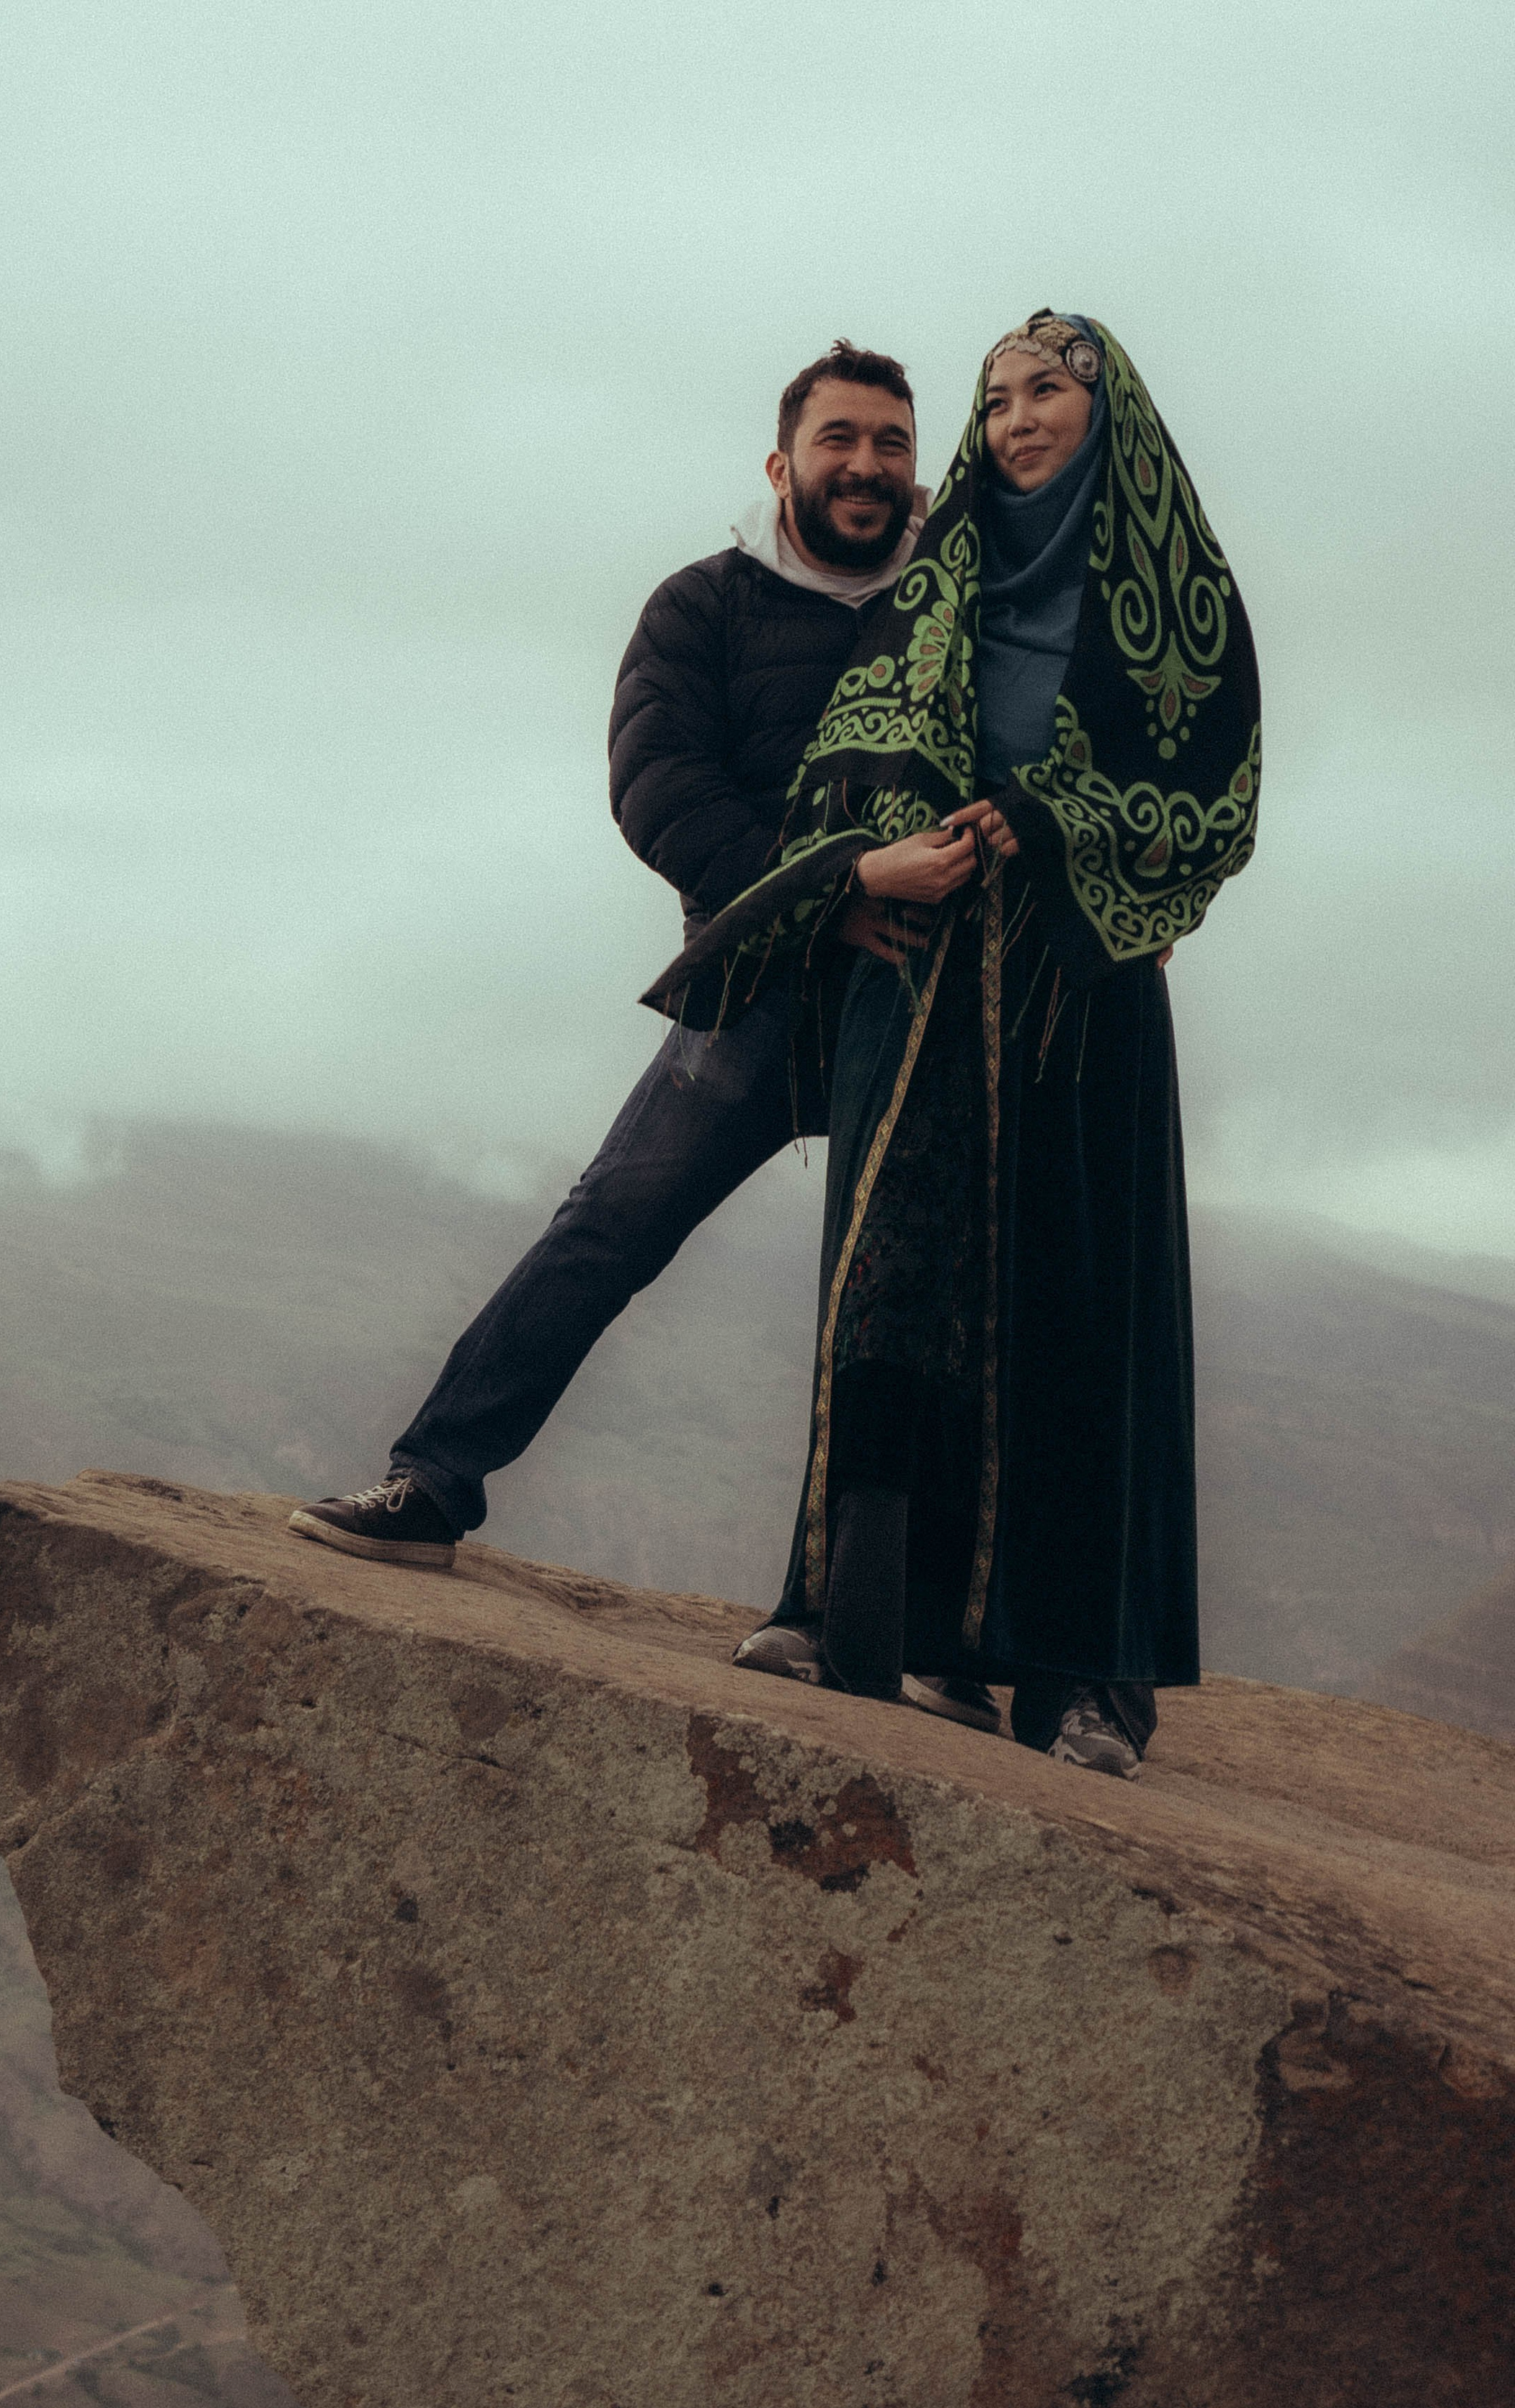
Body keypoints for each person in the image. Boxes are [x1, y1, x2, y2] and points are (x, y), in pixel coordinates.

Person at [289, 347, 965, 1677]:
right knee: (608, 1230)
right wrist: (829, 891)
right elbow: (660, 791)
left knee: (901, 1315)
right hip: (761, 989)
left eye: (892, 443)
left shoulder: (964, 612)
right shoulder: (702, 608)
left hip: (921, 1003)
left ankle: (863, 1620)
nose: (868, 467)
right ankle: (431, 1485)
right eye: (840, 440)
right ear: (782, 465)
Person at [652, 311, 1261, 1778]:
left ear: (1106, 406)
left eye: (1043, 391)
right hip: (918, 971)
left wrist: (1058, 829)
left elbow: (1213, 803)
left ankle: (1074, 1685)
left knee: (1069, 1318)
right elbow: (840, 762)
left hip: (1074, 988)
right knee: (886, 1288)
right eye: (994, 400)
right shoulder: (944, 572)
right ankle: (846, 1615)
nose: (1013, 421)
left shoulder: (1177, 596)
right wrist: (874, 859)